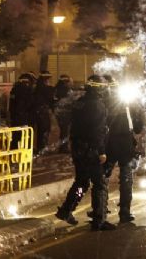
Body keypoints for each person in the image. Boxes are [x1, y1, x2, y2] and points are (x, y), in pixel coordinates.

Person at [55, 75, 115, 231]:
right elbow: (98, 131)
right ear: (99, 88)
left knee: (82, 182)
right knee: (100, 184)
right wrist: (101, 151)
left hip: (77, 148)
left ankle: (66, 210)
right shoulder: (98, 105)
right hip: (92, 150)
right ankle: (99, 219)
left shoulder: (79, 103)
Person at [105, 79, 144, 224]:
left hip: (107, 145)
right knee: (126, 179)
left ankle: (99, 210)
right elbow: (139, 126)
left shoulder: (102, 102)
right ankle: (125, 212)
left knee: (102, 179)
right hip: (125, 146)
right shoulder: (129, 103)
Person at [9, 73, 35, 148]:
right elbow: (30, 104)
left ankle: (14, 152)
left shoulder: (14, 90)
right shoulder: (27, 90)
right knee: (26, 136)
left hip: (14, 118)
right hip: (24, 117)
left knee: (15, 137)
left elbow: (11, 105)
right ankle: (26, 152)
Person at [32, 71, 55, 155]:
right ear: (46, 79)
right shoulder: (44, 88)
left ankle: (40, 147)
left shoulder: (37, 87)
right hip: (42, 112)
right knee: (44, 129)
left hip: (38, 111)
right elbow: (50, 97)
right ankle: (42, 148)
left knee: (41, 130)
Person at [54, 75, 74, 153]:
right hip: (65, 113)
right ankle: (63, 148)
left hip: (59, 113)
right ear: (66, 82)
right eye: (70, 81)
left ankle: (62, 147)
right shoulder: (66, 90)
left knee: (63, 131)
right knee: (65, 131)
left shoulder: (56, 89)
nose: (71, 83)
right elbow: (71, 100)